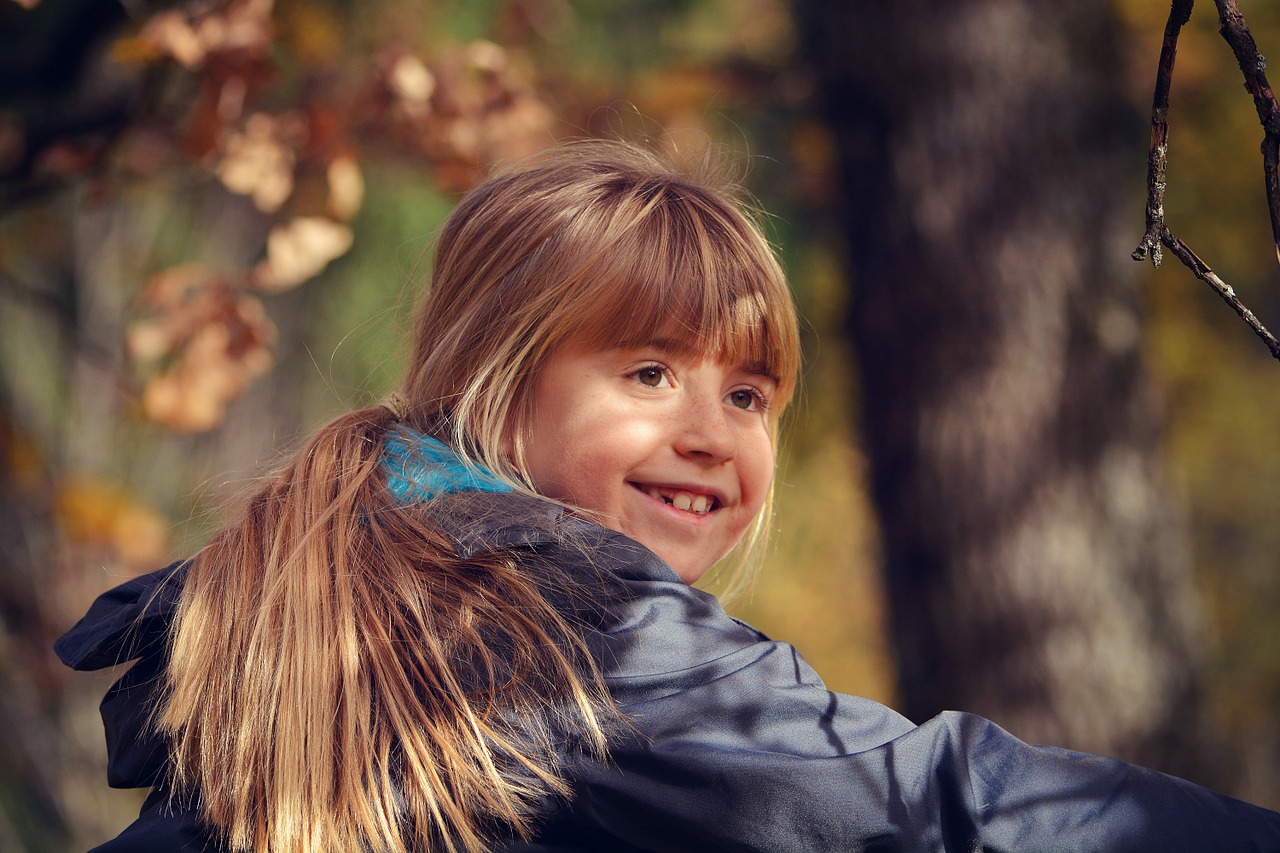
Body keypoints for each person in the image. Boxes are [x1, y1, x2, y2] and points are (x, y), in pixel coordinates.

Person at [57, 139, 1280, 852]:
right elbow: (916, 811)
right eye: (647, 372)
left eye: (749, 397)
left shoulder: (358, 592)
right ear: (497, 379)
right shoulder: (545, 615)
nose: (710, 434)